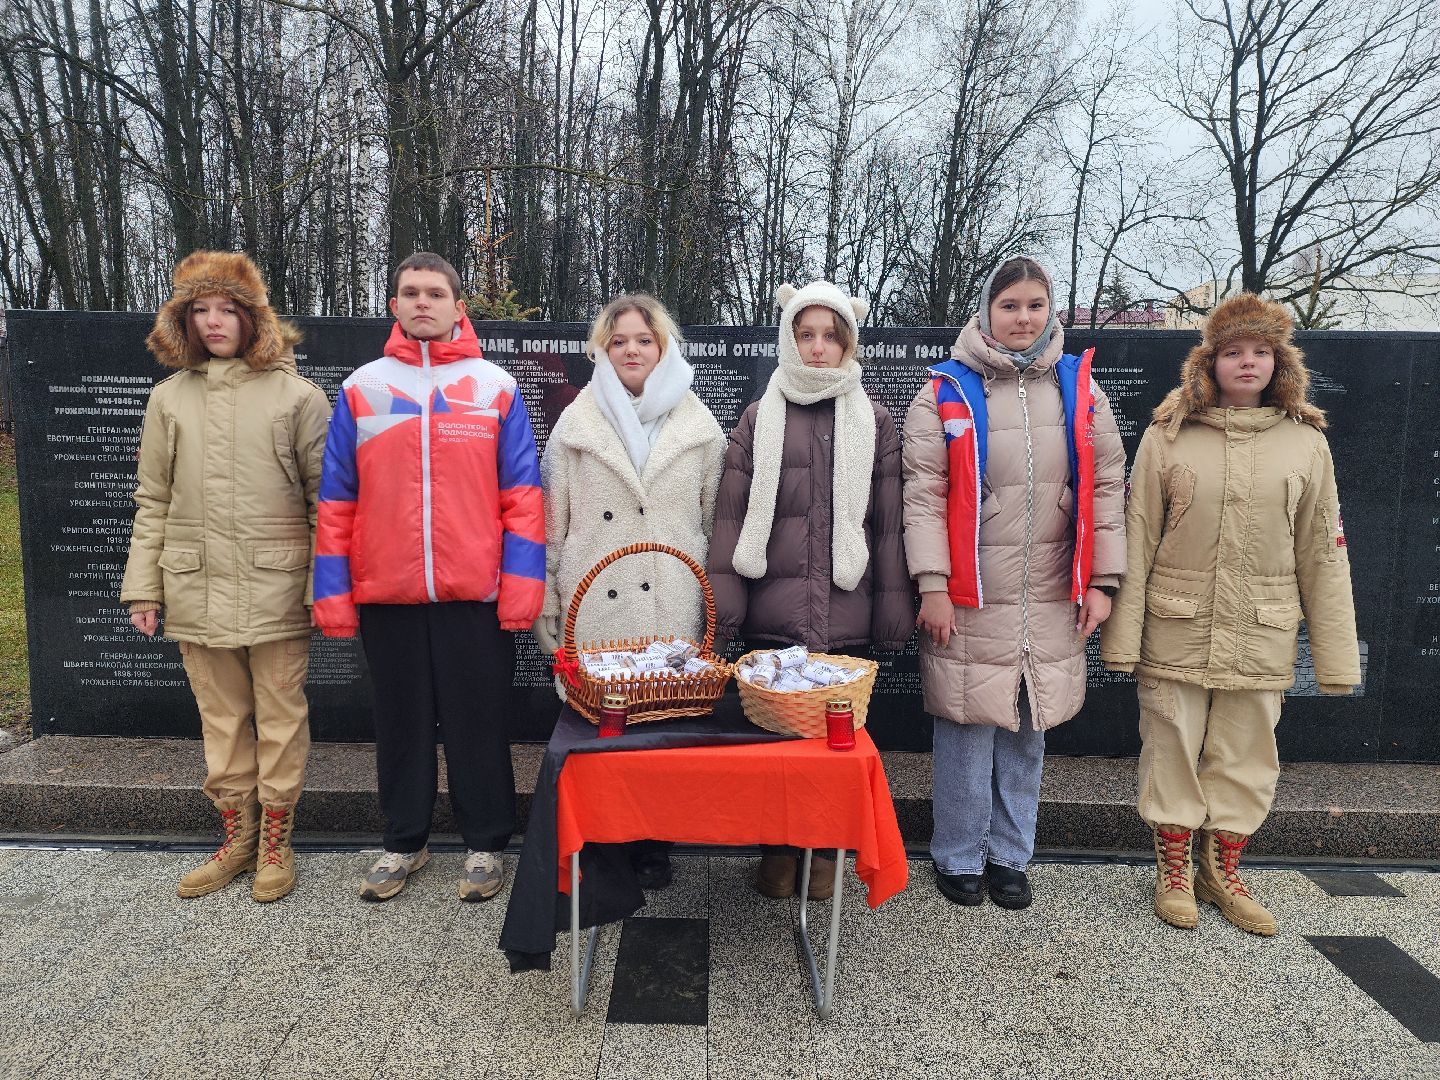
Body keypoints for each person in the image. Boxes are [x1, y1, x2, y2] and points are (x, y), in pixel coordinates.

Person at [1100, 293, 1359, 936]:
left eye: (1261, 352)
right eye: (1234, 352)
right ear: (1209, 363)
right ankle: (1175, 871)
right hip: (1177, 623)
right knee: (1173, 746)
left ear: (1280, 363)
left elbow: (1322, 551)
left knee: (1247, 753)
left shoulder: (1306, 446)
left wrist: (1336, 658)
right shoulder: (1169, 438)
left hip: (1261, 629)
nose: (1248, 363)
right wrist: (1122, 639)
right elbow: (1138, 535)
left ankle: (1225, 871)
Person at [312, 252, 545, 902]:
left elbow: (521, 496)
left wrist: (522, 590)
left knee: (479, 719)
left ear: (457, 306)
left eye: (434, 292)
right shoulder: (364, 387)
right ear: (394, 305)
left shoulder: (494, 385)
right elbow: (337, 500)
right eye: (410, 292)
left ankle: (486, 844)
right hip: (388, 593)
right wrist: (332, 596)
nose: (422, 302)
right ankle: (402, 843)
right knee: (400, 721)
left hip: (474, 592)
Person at [902, 256, 1126, 910]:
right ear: (985, 312)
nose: (1022, 317)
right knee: (967, 729)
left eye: (1034, 304)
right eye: (1009, 305)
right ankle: (959, 857)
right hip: (973, 595)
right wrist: (933, 583)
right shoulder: (944, 390)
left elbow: (1109, 486)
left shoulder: (1080, 391)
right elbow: (923, 496)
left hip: (1051, 592)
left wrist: (1103, 578)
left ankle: (1010, 856)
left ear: (1050, 309)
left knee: (1029, 731)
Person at [121, 250, 330, 903]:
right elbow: (152, 499)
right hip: (195, 583)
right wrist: (144, 585)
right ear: (182, 321)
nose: (214, 322)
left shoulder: (298, 396)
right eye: (199, 310)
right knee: (219, 718)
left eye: (226, 309)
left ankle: (275, 843)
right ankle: (236, 840)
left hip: (276, 586)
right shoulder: (168, 400)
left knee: (280, 715)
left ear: (252, 317)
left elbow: (326, 501)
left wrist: (322, 586)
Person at [708, 280, 912, 900]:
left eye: (830, 336)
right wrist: (728, 614)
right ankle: (776, 848)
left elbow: (890, 524)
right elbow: (730, 519)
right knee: (776, 749)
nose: (818, 348)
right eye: (805, 335)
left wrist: (892, 609)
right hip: (777, 611)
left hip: (845, 616)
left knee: (832, 750)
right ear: (788, 340)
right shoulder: (760, 416)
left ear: (848, 343)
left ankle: (824, 852)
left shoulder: (874, 420)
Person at [532, 294, 726, 890]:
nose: (632, 350)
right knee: (600, 728)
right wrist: (547, 597)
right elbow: (552, 518)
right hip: (596, 602)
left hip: (671, 597)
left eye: (644, 339)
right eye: (619, 341)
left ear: (662, 346)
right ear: (602, 349)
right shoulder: (577, 423)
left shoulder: (699, 424)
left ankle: (653, 842)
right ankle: (604, 841)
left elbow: (715, 517)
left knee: (659, 728)